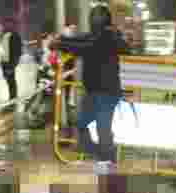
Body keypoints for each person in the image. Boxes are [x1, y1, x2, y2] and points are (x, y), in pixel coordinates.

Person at [48, 4, 123, 173]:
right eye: (94, 18)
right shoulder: (95, 35)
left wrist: (60, 43)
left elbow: (85, 47)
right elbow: (80, 40)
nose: (95, 21)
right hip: (93, 91)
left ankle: (108, 163)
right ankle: (98, 153)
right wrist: (60, 41)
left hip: (107, 93)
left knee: (102, 129)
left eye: (97, 18)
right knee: (80, 123)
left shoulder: (109, 37)